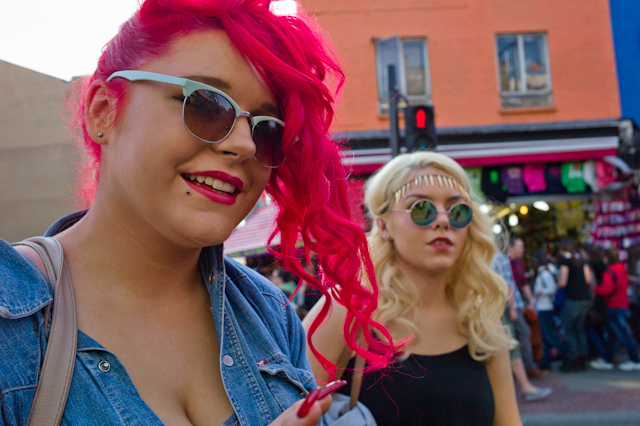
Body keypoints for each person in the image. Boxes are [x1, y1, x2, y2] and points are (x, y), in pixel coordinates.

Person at [0, 1, 398, 424]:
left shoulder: (267, 312)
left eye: (267, 131)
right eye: (207, 104)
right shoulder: (11, 319)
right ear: (103, 110)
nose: (244, 145)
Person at [303, 152, 522, 425]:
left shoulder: (483, 322)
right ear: (383, 225)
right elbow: (288, 410)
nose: (442, 220)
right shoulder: (347, 308)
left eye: (457, 211)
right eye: (422, 208)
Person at [492, 251, 553, 402]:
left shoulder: (494, 257)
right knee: (511, 345)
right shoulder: (497, 257)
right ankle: (526, 381)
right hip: (496, 309)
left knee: (512, 344)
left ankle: (527, 377)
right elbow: (509, 285)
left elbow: (510, 285)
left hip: (495, 309)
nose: (522, 249)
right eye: (519, 246)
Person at [594, 247, 640, 371]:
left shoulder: (610, 272)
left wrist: (595, 289)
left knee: (623, 334)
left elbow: (606, 290)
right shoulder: (622, 270)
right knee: (612, 335)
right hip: (622, 304)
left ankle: (635, 359)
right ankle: (607, 359)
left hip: (614, 305)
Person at [557, 238, 593, 372]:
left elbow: (563, 282)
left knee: (567, 330)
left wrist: (556, 285)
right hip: (584, 299)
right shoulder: (581, 260)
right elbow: (588, 279)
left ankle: (573, 357)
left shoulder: (565, 262)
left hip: (572, 299)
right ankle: (583, 358)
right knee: (579, 330)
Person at [531, 250, 562, 371]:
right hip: (543, 307)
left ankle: (566, 353)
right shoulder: (544, 273)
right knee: (546, 336)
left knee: (548, 336)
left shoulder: (544, 274)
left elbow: (552, 288)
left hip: (545, 307)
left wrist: (540, 293)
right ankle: (546, 361)